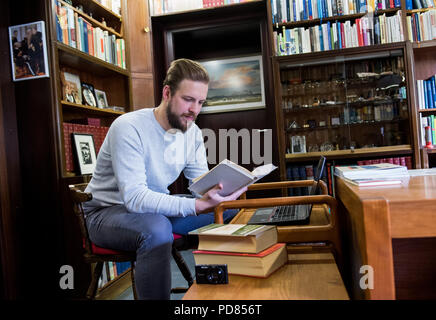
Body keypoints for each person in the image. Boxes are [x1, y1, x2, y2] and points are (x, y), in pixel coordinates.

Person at [83, 59, 247, 300]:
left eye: (200, 102)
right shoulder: (128, 127)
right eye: (188, 99)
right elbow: (135, 199)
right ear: (167, 93)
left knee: (232, 210)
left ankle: (224, 295)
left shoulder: (192, 132)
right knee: (158, 231)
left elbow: (199, 185)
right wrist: (195, 206)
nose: (195, 110)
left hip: (154, 209)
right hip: (106, 214)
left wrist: (223, 189)